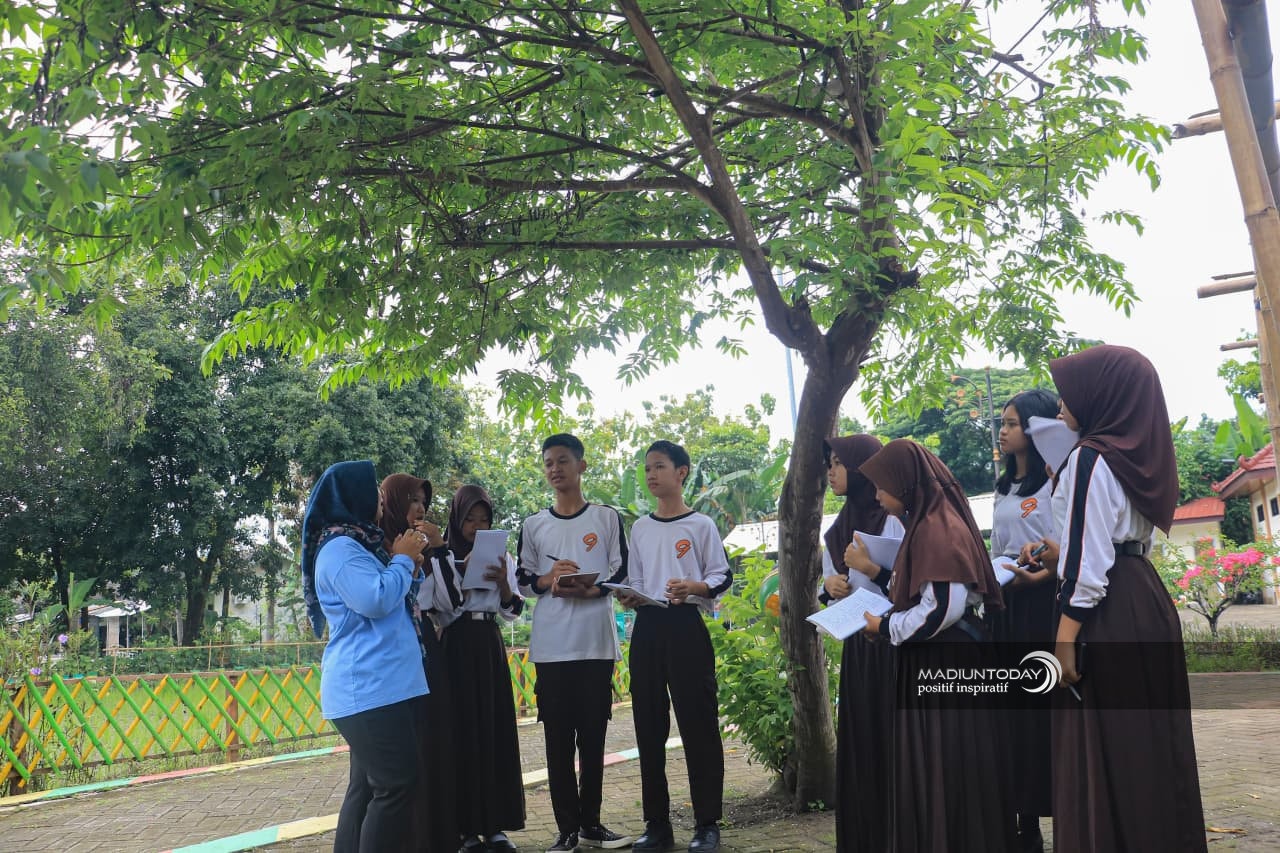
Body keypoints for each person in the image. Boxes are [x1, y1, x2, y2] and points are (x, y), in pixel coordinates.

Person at [1034, 345, 1207, 853]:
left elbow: (1088, 569)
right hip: (1143, 596)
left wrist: (1064, 640)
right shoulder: (1137, 459)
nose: (1061, 405)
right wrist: (1066, 555)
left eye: (1069, 393)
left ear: (1101, 395)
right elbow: (1110, 541)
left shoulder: (1088, 457)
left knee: (1108, 744)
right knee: (1149, 745)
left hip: (1106, 610)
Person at [858, 439, 1016, 853]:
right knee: (948, 767)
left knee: (950, 765)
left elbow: (942, 607)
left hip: (947, 661)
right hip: (940, 658)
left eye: (883, 485)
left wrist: (886, 625)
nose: (877, 495)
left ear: (905, 483)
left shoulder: (935, 529)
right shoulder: (928, 522)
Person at [302, 461, 429, 853]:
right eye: (372, 489)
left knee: (367, 789)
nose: (380, 498)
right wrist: (402, 559)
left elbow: (393, 594)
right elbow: (375, 600)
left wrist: (409, 563)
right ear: (351, 496)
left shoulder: (359, 544)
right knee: (395, 785)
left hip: (382, 686)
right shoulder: (340, 549)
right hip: (369, 688)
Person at [515, 434, 633, 853]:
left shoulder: (605, 518)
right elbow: (523, 581)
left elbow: (622, 571)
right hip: (551, 649)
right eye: (548, 462)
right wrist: (549, 579)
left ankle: (592, 824)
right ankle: (566, 829)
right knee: (558, 742)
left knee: (594, 740)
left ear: (581, 465)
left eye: (563, 460)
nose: (555, 469)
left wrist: (592, 589)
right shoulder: (533, 525)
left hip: (596, 645)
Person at [620, 441, 730, 853]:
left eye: (659, 467)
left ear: (681, 472)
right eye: (647, 468)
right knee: (648, 727)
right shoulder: (640, 528)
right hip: (648, 628)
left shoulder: (701, 525)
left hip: (686, 626)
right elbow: (636, 578)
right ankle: (657, 825)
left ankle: (707, 824)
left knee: (699, 725)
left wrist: (693, 587)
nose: (651, 475)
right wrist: (629, 596)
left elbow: (721, 576)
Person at [817, 434, 904, 853]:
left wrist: (869, 568)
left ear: (862, 467)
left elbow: (911, 585)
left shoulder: (893, 520)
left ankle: (896, 834)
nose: (831, 471)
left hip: (892, 644)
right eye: (829, 463)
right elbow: (832, 584)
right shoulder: (838, 529)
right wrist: (829, 587)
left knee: (891, 741)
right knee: (863, 741)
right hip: (858, 649)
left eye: (838, 462)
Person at [988, 391, 1060, 853]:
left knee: (1044, 708)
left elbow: (1065, 545)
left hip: (1044, 605)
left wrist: (1040, 574)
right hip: (1007, 606)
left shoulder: (1053, 482)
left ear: (1034, 429)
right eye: (1003, 422)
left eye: (1012, 423)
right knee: (1012, 712)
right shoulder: (1003, 488)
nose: (1003, 431)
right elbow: (998, 546)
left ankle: (1063, 807)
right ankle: (1025, 820)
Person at [440, 485, 526, 852]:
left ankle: (495, 826)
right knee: (462, 733)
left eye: (484, 520)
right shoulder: (441, 556)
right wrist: (461, 577)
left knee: (492, 730)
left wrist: (504, 583)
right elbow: (439, 611)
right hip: (456, 646)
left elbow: (513, 610)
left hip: (489, 644)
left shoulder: (502, 557)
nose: (477, 527)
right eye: (470, 519)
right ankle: (464, 830)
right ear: (457, 520)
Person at [378, 473, 459, 853]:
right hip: (393, 650)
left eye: (424, 501)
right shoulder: (377, 548)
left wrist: (439, 551)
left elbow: (451, 604)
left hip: (426, 645)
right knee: (402, 753)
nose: (420, 507)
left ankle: (437, 837)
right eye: (412, 499)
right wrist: (403, 559)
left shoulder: (429, 549)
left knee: (433, 742)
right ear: (393, 503)